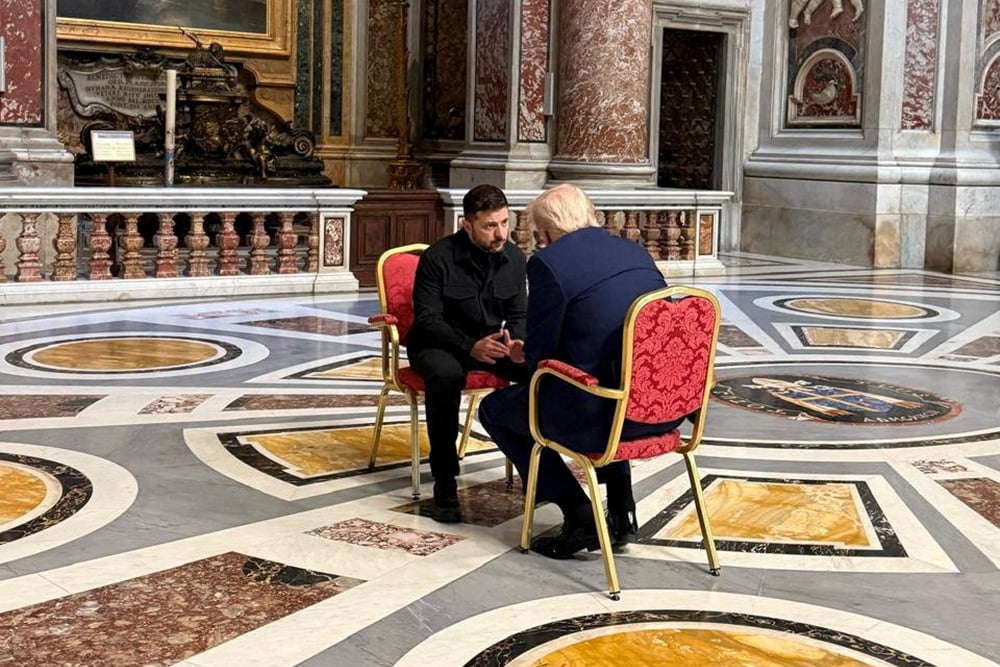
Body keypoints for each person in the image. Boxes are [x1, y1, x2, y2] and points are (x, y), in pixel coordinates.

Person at [479, 184, 686, 559]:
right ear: (591, 215)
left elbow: (540, 358)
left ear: (545, 233)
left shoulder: (549, 263)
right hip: (661, 410)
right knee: (615, 374)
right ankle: (622, 511)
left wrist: (522, 353)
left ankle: (579, 514)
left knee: (496, 409)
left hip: (598, 423)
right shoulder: (635, 251)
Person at [407, 184, 530, 523]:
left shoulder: (515, 258)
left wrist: (516, 344)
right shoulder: (437, 258)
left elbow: (519, 314)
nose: (500, 233)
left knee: (539, 371)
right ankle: (445, 481)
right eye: (490, 226)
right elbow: (428, 319)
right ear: (467, 224)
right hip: (437, 343)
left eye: (504, 222)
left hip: (490, 343)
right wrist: (468, 345)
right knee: (446, 376)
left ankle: (536, 468)